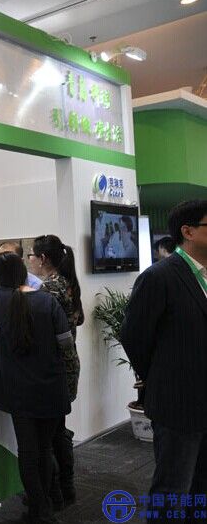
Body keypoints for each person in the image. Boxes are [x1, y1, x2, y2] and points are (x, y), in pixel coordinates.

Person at [0, 253, 74, 524]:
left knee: (28, 451)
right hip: (51, 387)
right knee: (44, 449)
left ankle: (40, 509)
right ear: (23, 272)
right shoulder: (47, 300)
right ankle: (45, 505)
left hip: (18, 390)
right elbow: (67, 344)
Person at [121, 200, 207, 521]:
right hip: (177, 403)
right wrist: (161, 375)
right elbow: (134, 336)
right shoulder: (159, 277)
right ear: (188, 232)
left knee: (201, 489)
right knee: (172, 490)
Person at [28, 234, 83, 508]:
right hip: (69, 364)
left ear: (42, 258)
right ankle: (66, 488)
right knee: (59, 429)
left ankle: (54, 494)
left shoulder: (48, 289)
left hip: (53, 367)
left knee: (47, 436)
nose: (29, 260)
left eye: (31, 255)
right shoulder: (68, 282)